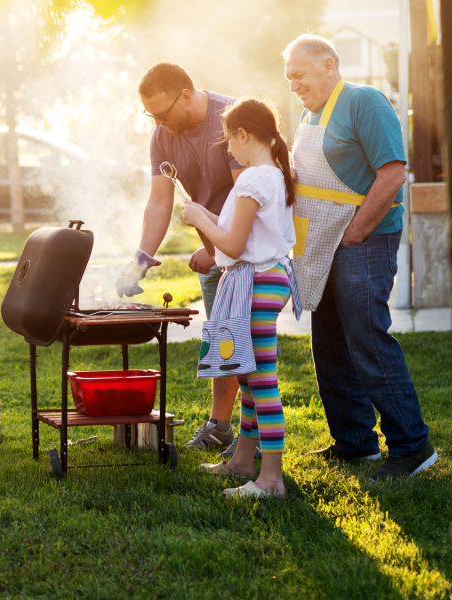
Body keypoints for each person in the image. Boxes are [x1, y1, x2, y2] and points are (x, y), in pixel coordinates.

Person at [282, 34, 435, 481]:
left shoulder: (365, 102)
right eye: (288, 77)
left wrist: (357, 231)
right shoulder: (312, 112)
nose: (293, 84)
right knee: (328, 341)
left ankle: (412, 447)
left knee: (366, 337)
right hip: (322, 242)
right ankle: (355, 442)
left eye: (299, 74)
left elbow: (393, 173)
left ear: (329, 64)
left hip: (361, 241)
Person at [121, 62, 247, 455]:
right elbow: (161, 200)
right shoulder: (163, 135)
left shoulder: (232, 120)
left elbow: (253, 194)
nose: (157, 122)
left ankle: (254, 439)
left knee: (244, 341)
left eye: (162, 113)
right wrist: (141, 257)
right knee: (223, 337)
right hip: (215, 249)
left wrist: (219, 245)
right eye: (151, 115)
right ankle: (221, 426)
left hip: (246, 250)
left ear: (187, 96)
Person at [181, 97, 299, 498]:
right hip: (264, 279)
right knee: (248, 376)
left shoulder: (251, 179)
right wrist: (206, 214)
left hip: (256, 283)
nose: (227, 149)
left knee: (261, 381)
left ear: (243, 134)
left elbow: (230, 244)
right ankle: (242, 462)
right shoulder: (275, 174)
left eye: (228, 140)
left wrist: (199, 219)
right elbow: (239, 238)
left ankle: (271, 480)